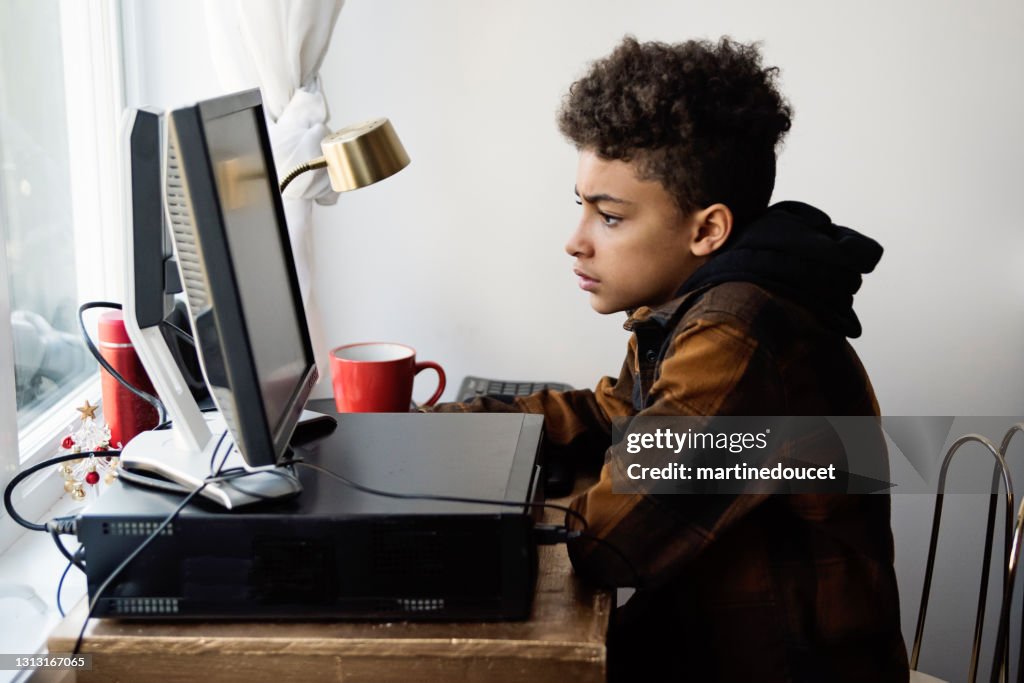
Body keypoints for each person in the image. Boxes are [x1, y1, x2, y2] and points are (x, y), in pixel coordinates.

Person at [431, 35, 909, 682]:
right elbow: (610, 412)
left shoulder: (736, 335)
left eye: (610, 217)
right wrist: (437, 426)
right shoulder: (695, 307)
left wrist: (500, 497)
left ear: (707, 230)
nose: (575, 242)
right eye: (582, 207)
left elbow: (608, 539)